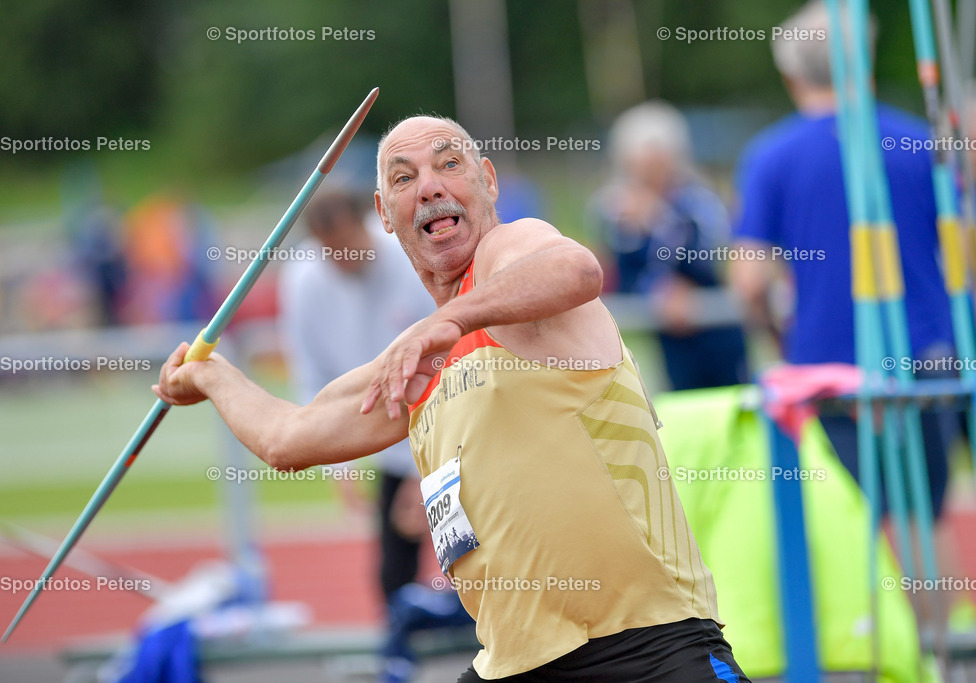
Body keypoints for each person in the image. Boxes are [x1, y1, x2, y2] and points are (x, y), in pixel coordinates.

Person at [154, 115, 748, 681]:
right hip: (514, 663)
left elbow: (576, 268)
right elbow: (290, 438)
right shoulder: (413, 365)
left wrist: (449, 321)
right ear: (385, 214)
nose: (431, 187)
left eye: (449, 165)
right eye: (405, 178)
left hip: (647, 646)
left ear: (487, 181)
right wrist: (211, 378)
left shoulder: (509, 255)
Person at [730, 0, 960, 598]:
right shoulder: (917, 141)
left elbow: (749, 278)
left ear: (792, 74)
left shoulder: (772, 156)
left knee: (842, 526)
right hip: (927, 357)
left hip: (826, 367)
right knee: (921, 521)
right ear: (865, 58)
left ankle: (862, 651)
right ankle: (936, 655)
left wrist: (770, 331)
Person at [275, 188, 443, 682]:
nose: (342, 260)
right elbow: (310, 371)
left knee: (469, 539)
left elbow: (443, 359)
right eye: (330, 250)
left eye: (349, 245)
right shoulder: (303, 279)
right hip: (377, 425)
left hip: (443, 418)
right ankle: (399, 658)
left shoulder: (409, 262)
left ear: (368, 224)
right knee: (392, 562)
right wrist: (334, 458)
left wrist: (425, 472)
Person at [593, 101, 747, 390]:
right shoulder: (613, 208)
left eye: (658, 162)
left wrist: (658, 220)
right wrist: (657, 290)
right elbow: (618, 270)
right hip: (661, 335)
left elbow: (709, 256)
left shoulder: (699, 201)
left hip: (715, 334)